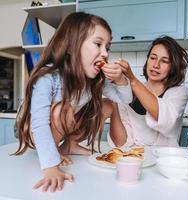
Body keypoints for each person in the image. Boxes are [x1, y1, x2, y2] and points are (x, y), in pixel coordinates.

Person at [14, 12, 132, 192]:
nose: (105, 53)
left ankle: (70, 144)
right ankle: (55, 150)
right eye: (98, 44)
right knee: (63, 108)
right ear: (72, 46)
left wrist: (122, 81)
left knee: (107, 104)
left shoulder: (96, 79)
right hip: (34, 131)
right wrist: (51, 166)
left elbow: (126, 99)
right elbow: (38, 122)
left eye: (107, 47)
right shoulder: (49, 77)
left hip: (62, 125)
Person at [103, 36, 188, 148]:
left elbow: (165, 119)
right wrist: (114, 99)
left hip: (164, 160)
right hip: (133, 159)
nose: (156, 65)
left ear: (173, 66)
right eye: (153, 58)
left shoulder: (179, 92)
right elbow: (121, 143)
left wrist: (132, 79)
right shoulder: (127, 92)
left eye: (164, 61)